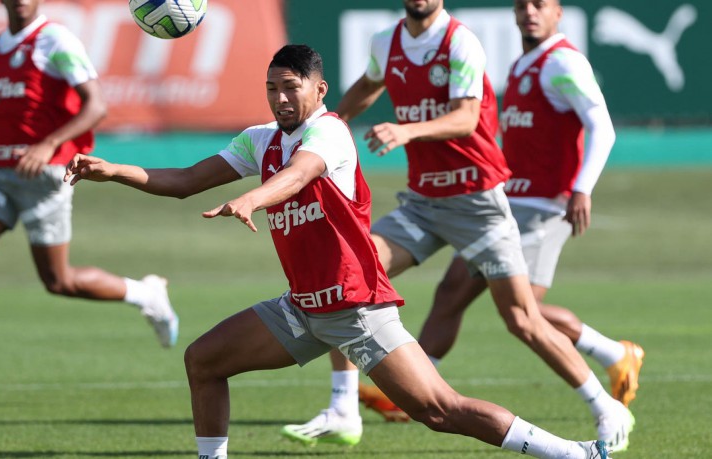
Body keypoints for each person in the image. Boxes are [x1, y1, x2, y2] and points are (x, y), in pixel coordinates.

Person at [64, 43, 610, 459]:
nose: (280, 97)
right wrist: (115, 171)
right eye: (272, 87)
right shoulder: (260, 139)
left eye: (291, 87)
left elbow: (302, 175)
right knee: (202, 361)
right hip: (302, 308)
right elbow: (184, 179)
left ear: (319, 91)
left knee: (440, 412)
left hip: (355, 309)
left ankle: (575, 454)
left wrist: (252, 198)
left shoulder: (330, 134)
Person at [280, 0, 633, 453]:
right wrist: (327, 126)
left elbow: (467, 118)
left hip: (477, 204)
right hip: (424, 202)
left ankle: (606, 406)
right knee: (347, 273)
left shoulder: (461, 41)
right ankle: (344, 410)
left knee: (523, 319)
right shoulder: (385, 43)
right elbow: (368, 86)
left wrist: (406, 131)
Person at [0, 0, 178, 408]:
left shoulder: (56, 40)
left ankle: (145, 294)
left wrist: (48, 144)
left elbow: (96, 105)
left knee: (58, 281)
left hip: (45, 177)